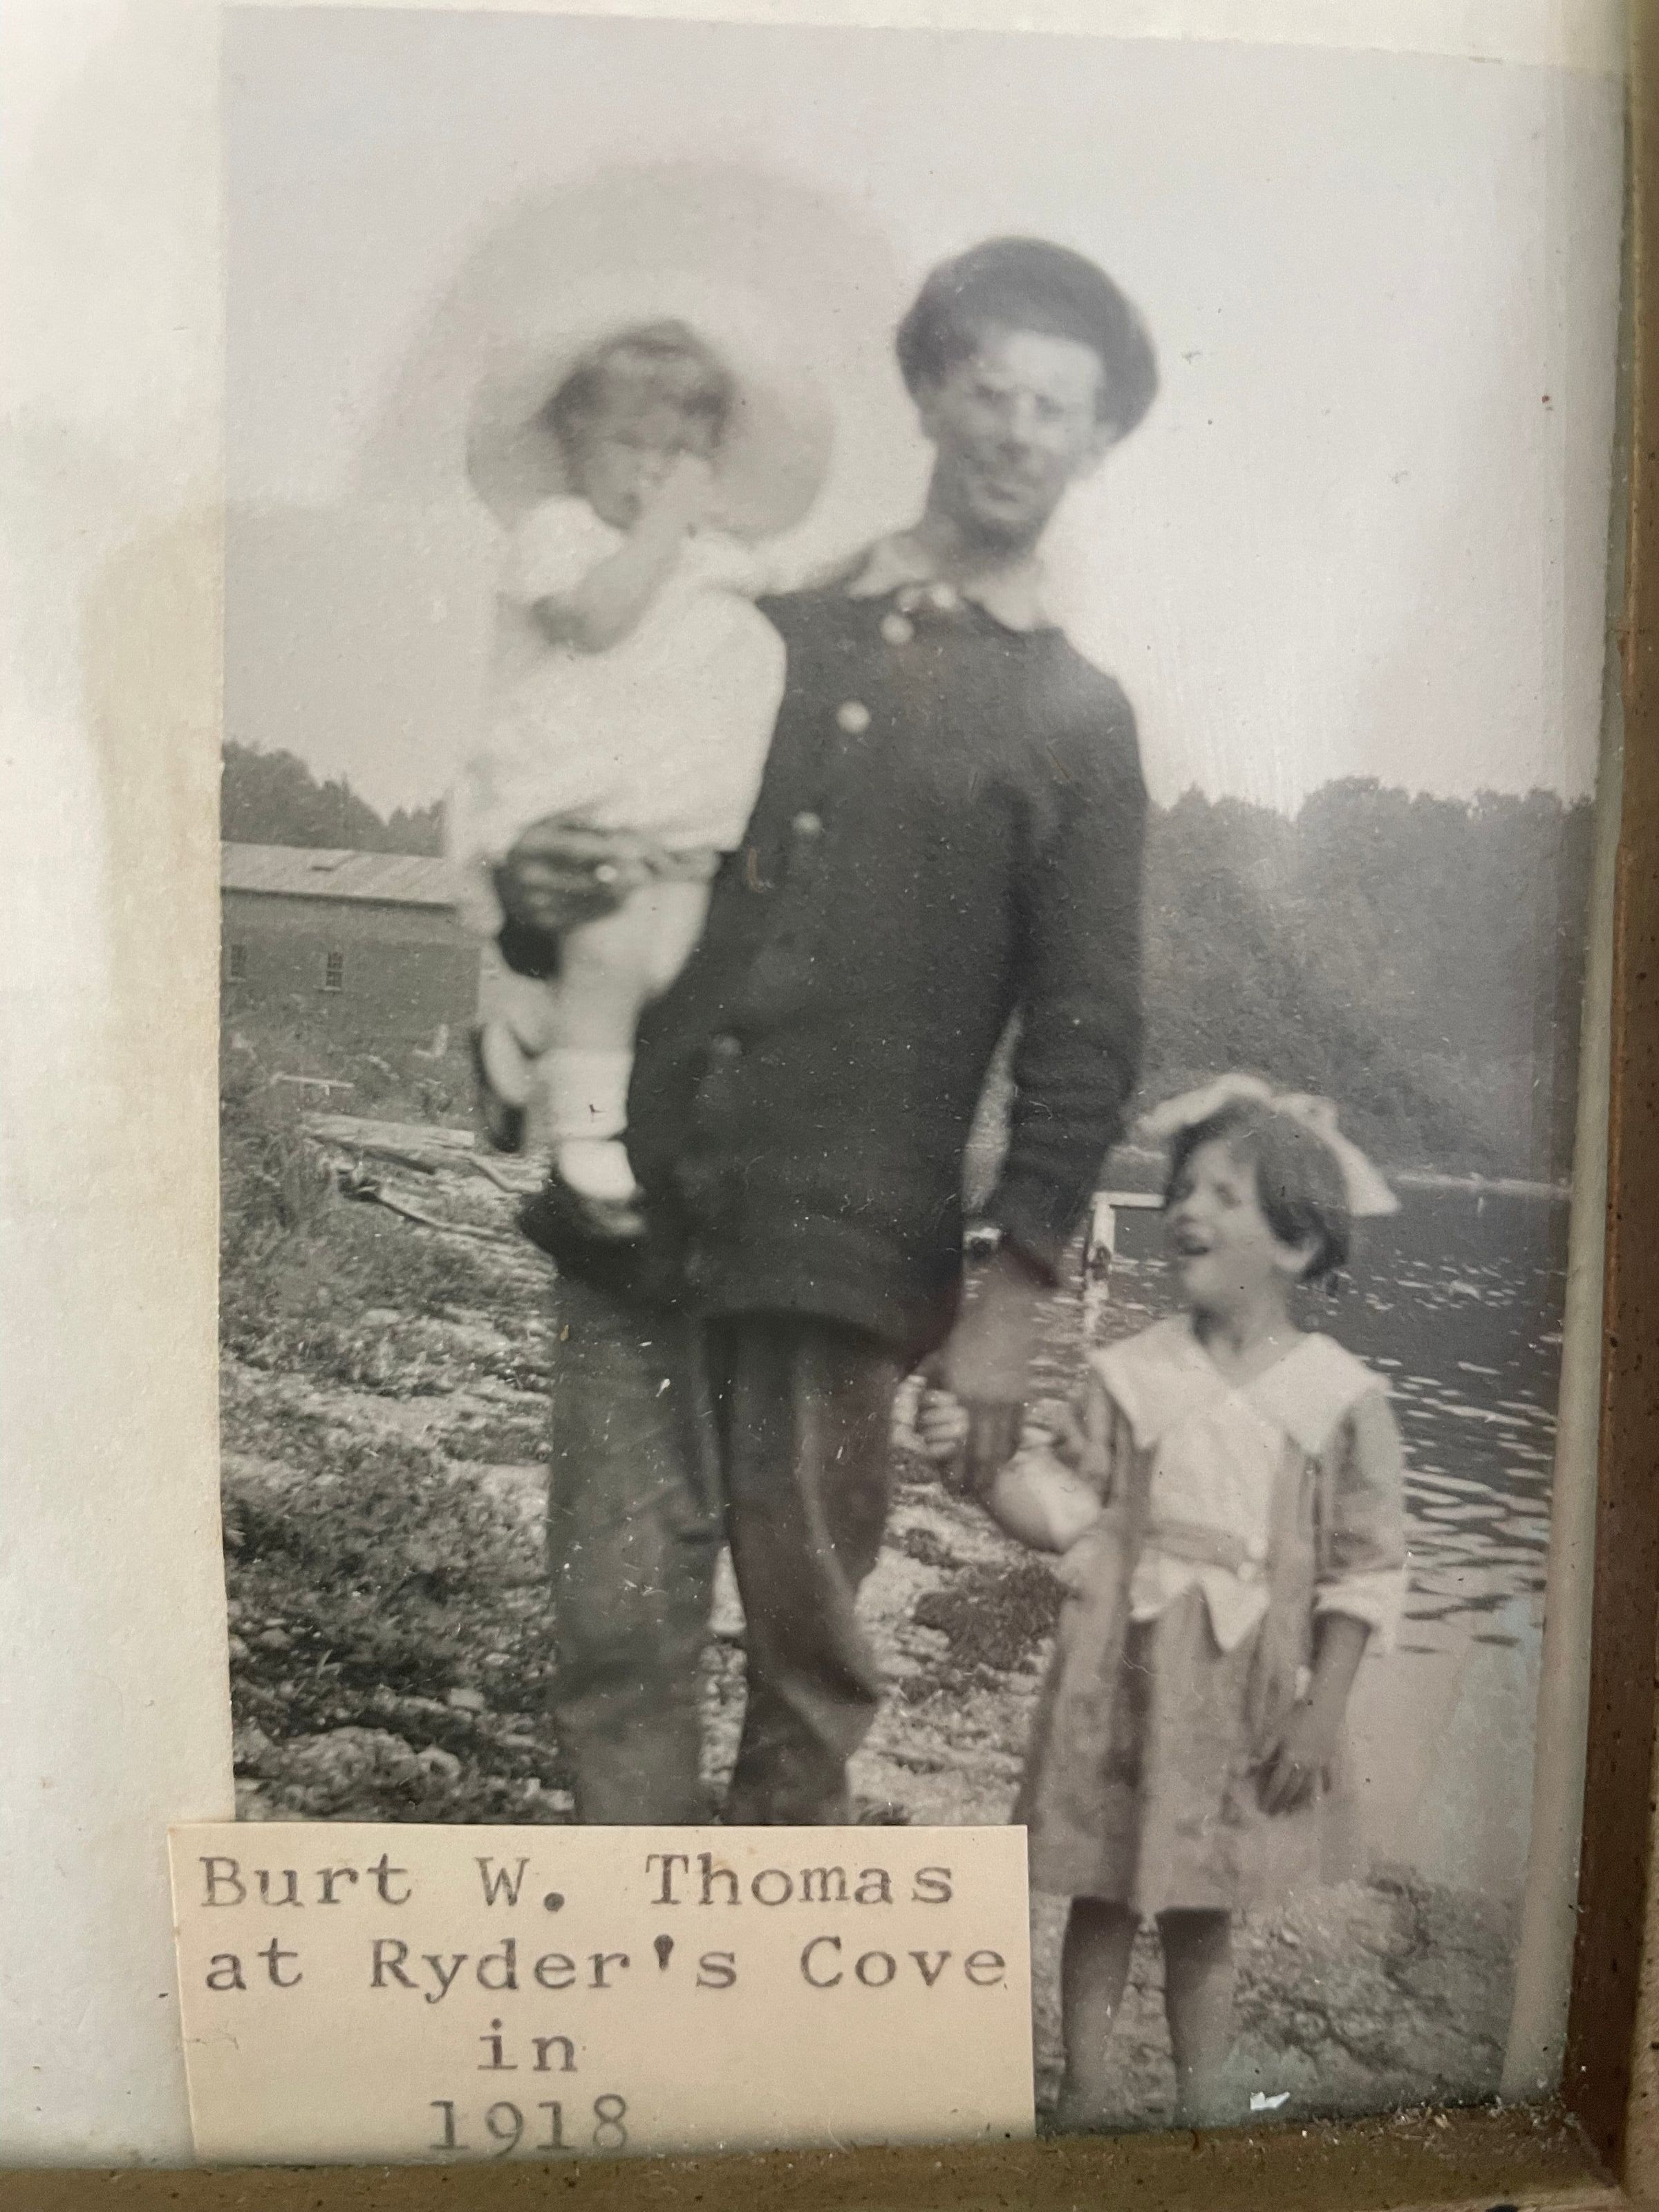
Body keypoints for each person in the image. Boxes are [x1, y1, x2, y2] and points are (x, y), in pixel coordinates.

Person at [493, 236, 1158, 1826]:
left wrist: (1008, 1309)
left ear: (1096, 442)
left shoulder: (1077, 720)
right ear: (929, 391)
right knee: (612, 1633)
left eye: (1056, 408)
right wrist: (533, 887)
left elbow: (1086, 1034)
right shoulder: (756, 621)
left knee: (810, 1653)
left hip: (851, 1252)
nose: (1015, 431)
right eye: (990, 387)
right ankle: (628, 1937)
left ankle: (768, 1949)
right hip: (635, 1206)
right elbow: (598, 818)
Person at [929, 1077, 1407, 2127]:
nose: (1187, 1208)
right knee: (1102, 1890)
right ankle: (1086, 2088)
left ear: (1295, 1243)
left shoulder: (1336, 1399)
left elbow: (1365, 1569)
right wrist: (980, 1470)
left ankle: (1204, 2098)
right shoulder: (1131, 1375)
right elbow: (1063, 1509)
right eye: (1183, 1188)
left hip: (1243, 1689)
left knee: (1205, 1907)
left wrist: (1321, 1707)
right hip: (1125, 1678)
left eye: (1224, 1195)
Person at [453, 317, 816, 1230]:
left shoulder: (710, 554)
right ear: (573, 442)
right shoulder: (561, 531)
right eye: (628, 443)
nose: (652, 470)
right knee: (611, 956)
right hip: (581, 800)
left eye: (678, 452)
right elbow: (595, 620)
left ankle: (522, 1032)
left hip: (682, 815)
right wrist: (663, 528)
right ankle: (587, 1145)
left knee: (654, 970)